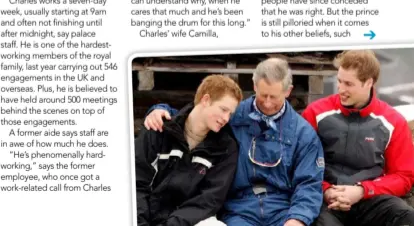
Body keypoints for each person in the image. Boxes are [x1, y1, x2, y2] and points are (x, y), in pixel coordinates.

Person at [144, 58, 325, 226]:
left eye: (274, 97)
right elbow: (197, 116)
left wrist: (298, 219)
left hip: (284, 209)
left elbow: (309, 183)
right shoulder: (232, 114)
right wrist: (160, 109)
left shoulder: (303, 133)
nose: (268, 103)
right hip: (238, 209)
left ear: (288, 91)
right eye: (263, 95)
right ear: (254, 85)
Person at [302, 50, 414, 226]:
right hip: (327, 199)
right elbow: (300, 164)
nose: (341, 89)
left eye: (348, 84)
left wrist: (363, 191)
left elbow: (403, 176)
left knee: (406, 216)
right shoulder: (315, 113)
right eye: (339, 81)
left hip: (371, 198)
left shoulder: (394, 122)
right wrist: (326, 190)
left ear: (369, 82)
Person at [135, 75, 242, 226]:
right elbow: (137, 183)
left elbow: (209, 200)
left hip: (187, 221)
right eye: (223, 109)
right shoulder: (159, 129)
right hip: (146, 216)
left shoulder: (226, 148)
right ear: (206, 100)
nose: (226, 118)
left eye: (230, 114)